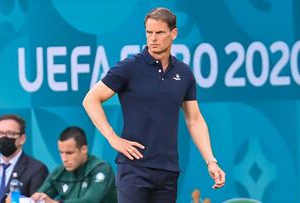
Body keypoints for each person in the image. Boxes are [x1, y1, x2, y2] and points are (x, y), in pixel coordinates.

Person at [82, 7, 226, 203]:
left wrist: (211, 161)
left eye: (159, 32)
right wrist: (113, 138)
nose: (153, 38)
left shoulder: (184, 73)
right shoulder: (129, 67)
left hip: (168, 171)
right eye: (149, 32)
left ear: (173, 33)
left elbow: (194, 120)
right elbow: (91, 99)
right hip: (134, 170)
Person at [0, 114, 49, 203]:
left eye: (10, 133)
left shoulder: (37, 169)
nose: (4, 137)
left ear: (22, 139)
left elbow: (37, 200)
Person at [31, 126, 117, 203]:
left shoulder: (102, 169)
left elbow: (90, 201)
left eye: (69, 153)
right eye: (61, 152)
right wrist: (37, 198)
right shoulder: (60, 172)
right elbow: (41, 196)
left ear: (84, 149)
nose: (64, 159)